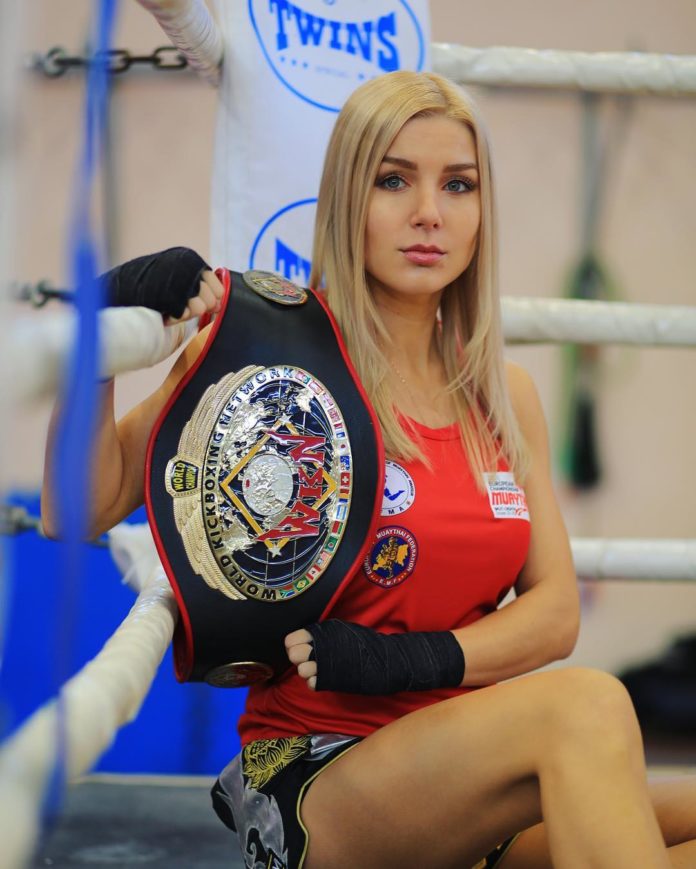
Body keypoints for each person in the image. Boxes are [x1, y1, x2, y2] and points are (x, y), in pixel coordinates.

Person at [42, 71, 696, 869]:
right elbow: (75, 510)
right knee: (588, 703)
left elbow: (555, 610)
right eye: (394, 180)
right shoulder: (272, 358)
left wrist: (412, 660)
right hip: (323, 773)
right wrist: (104, 335)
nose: (429, 212)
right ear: (349, 197)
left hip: (472, 773)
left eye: (458, 185)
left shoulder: (504, 393)